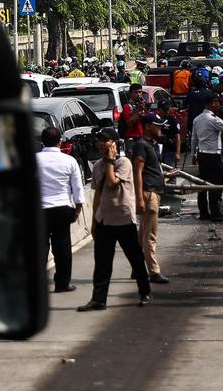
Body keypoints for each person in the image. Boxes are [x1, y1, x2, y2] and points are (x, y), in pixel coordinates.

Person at [79, 128, 152, 310]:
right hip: (104, 219)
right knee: (102, 262)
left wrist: (111, 160)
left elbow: (111, 183)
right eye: (100, 141)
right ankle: (98, 299)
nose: (102, 144)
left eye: (106, 141)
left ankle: (145, 293)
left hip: (123, 219)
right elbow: (97, 195)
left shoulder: (124, 163)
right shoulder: (97, 166)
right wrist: (94, 221)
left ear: (115, 143)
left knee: (135, 259)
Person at [36, 126, 85, 293]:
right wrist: (77, 210)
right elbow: (78, 189)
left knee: (40, 248)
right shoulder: (69, 161)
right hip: (62, 208)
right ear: (60, 141)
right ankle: (62, 283)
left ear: (42, 142)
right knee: (62, 247)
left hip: (40, 210)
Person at [130, 113, 173, 284]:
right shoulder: (141, 145)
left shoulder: (150, 145)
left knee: (142, 235)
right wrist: (139, 198)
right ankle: (154, 272)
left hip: (151, 192)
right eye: (158, 125)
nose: (161, 128)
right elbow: (137, 172)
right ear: (148, 126)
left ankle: (137, 268)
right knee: (150, 235)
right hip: (149, 194)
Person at [153, 99, 184, 166]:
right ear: (159, 109)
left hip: (169, 150)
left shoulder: (172, 120)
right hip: (157, 149)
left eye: (167, 109)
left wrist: (178, 153)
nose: (166, 111)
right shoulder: (155, 119)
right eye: (164, 109)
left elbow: (177, 137)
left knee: (168, 169)